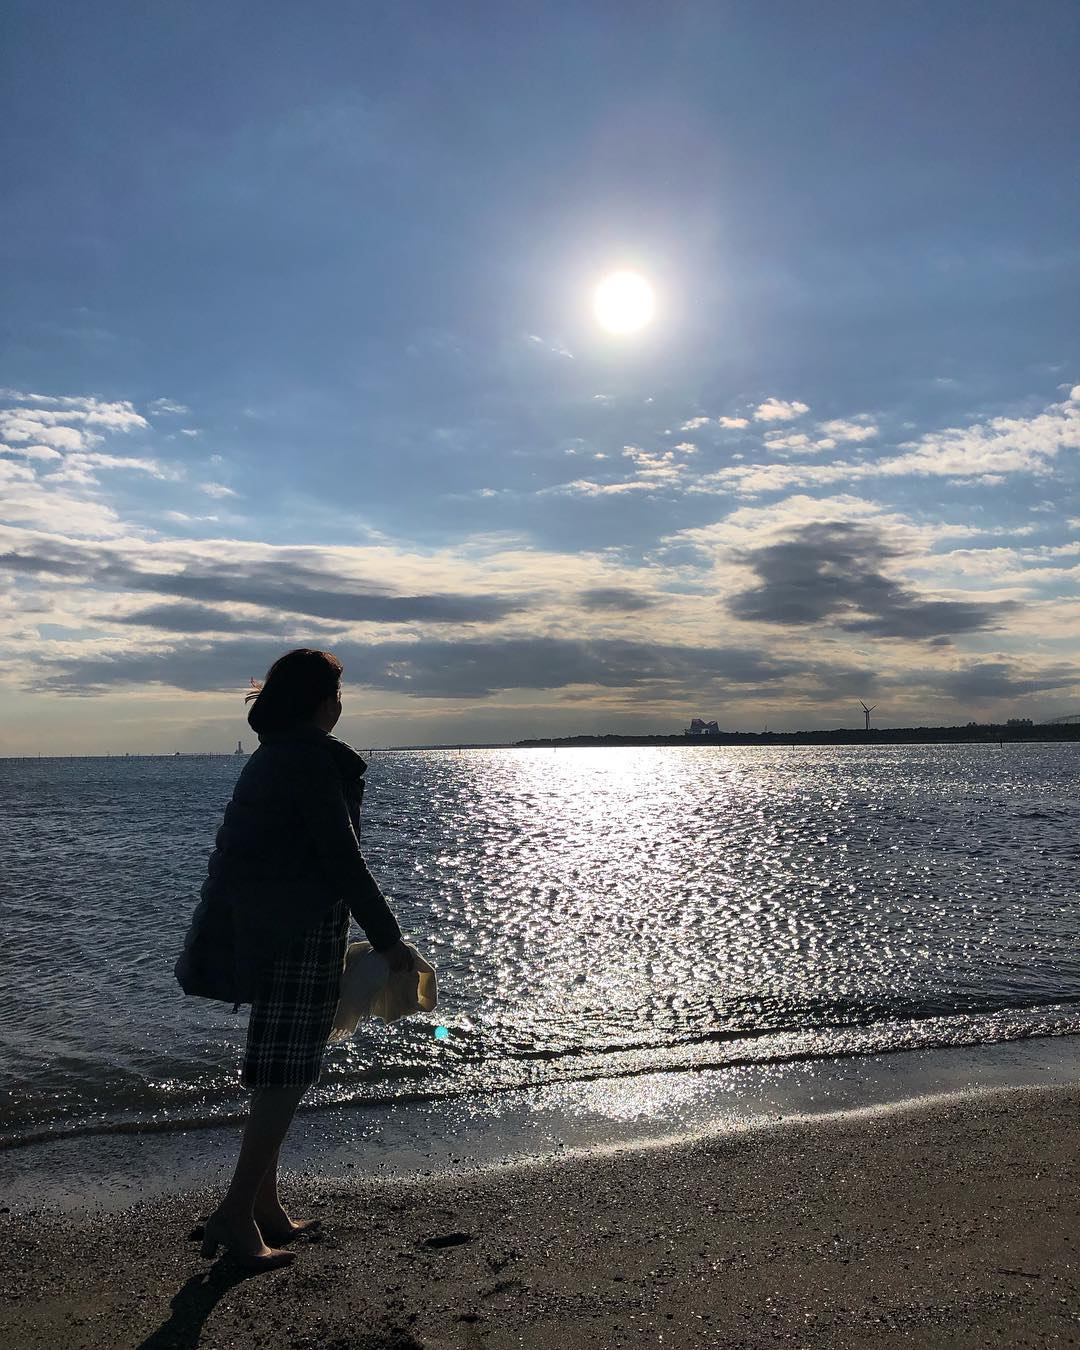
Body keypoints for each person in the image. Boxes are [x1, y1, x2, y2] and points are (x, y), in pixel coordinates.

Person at [197, 648, 414, 1271]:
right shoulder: (309, 760)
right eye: (336, 694)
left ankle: (263, 1205)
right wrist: (389, 938)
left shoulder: (273, 755)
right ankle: (236, 1213)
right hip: (299, 935)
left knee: (277, 1071)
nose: (340, 705)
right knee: (288, 1075)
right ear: (320, 702)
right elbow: (342, 860)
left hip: (268, 931)